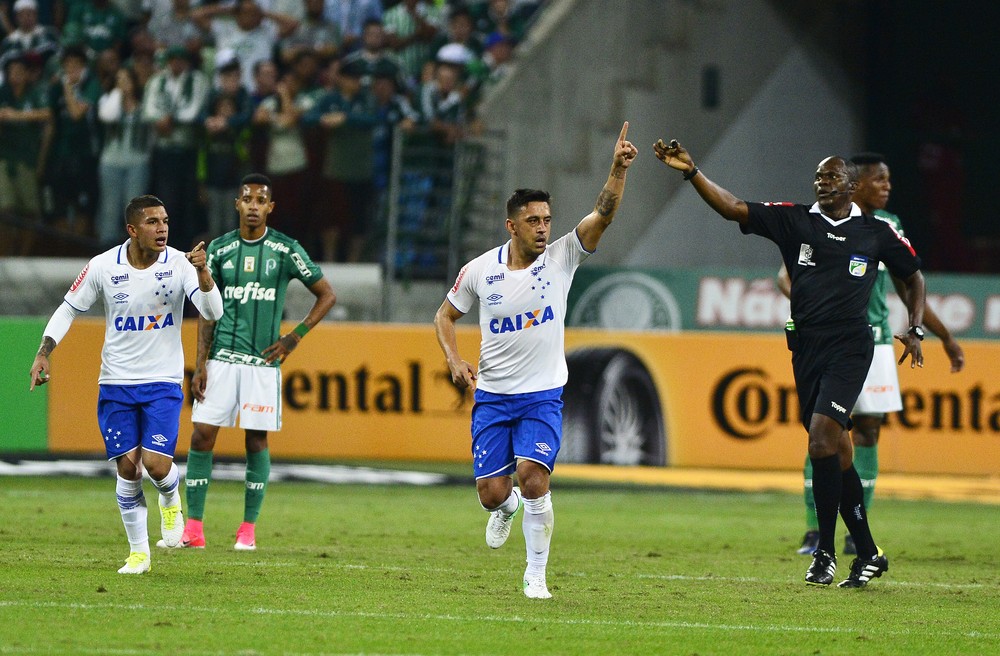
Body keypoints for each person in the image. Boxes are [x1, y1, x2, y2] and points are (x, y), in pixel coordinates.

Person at [652, 138, 926, 588]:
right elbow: (734, 208)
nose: (822, 182)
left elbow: (912, 276)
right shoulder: (795, 219)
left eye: (832, 176)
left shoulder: (877, 232)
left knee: (821, 440)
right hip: (807, 349)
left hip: (851, 348)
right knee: (836, 452)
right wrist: (692, 171)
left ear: (852, 186)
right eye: (818, 176)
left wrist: (915, 327)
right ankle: (870, 552)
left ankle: (824, 552)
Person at [434, 122, 637, 599]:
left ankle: (536, 574)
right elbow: (444, 316)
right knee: (494, 493)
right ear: (512, 224)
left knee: (533, 478)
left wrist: (617, 169)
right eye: (534, 221)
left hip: (543, 394)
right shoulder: (480, 270)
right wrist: (453, 358)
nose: (543, 227)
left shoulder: (563, 257)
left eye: (547, 219)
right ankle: (504, 510)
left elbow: (602, 215)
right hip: (492, 396)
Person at [778, 153, 966, 557]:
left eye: (889, 180)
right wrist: (817, 309)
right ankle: (814, 528)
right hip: (829, 342)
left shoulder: (885, 227)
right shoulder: (818, 219)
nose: (887, 187)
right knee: (824, 433)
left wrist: (943, 335)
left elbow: (908, 284)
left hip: (876, 343)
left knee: (866, 431)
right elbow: (784, 276)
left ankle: (855, 533)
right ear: (857, 184)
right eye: (880, 180)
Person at [28, 195, 224, 574]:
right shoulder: (103, 266)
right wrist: (43, 351)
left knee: (154, 464)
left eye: (165, 220)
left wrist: (204, 274)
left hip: (162, 381)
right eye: (152, 222)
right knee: (128, 470)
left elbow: (213, 312)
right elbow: (69, 307)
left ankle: (170, 499)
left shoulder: (183, 263)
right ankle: (138, 554)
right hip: (116, 382)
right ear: (132, 229)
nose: (162, 228)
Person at [173, 173, 336, 551]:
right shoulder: (218, 250)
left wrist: (295, 337)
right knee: (202, 435)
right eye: (246, 198)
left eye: (260, 200)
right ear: (237, 204)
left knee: (256, 441)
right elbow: (206, 312)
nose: (253, 206)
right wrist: (201, 364)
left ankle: (247, 529)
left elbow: (326, 294)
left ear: (270, 207)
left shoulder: (285, 250)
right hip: (222, 359)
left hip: (262, 363)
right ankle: (194, 527)